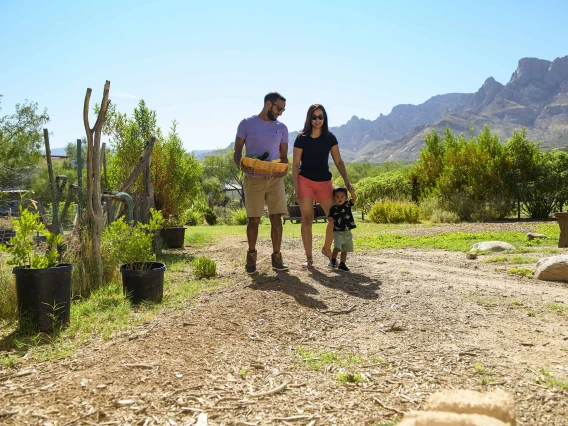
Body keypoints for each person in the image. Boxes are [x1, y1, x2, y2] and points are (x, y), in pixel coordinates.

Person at [292, 104, 356, 269]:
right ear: (309, 118)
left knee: (334, 218)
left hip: (324, 182)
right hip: (305, 181)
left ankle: (326, 248)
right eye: (314, 117)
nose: (317, 120)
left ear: (324, 118)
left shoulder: (330, 137)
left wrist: (347, 182)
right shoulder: (301, 138)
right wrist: (296, 187)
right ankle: (309, 258)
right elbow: (295, 164)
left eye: (321, 117)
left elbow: (338, 161)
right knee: (307, 218)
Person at [234, 92, 290, 275]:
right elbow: (237, 152)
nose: (281, 112)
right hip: (253, 179)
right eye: (279, 108)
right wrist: (243, 166)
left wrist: (283, 167)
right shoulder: (246, 124)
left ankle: (277, 257)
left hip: (275, 179)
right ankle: (251, 257)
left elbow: (283, 156)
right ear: (268, 104)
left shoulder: (282, 128)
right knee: (254, 220)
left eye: (283, 109)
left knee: (276, 218)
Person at [327, 186, 356, 271]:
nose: (340, 198)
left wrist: (352, 192)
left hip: (347, 231)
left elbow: (354, 198)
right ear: (334, 198)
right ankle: (333, 261)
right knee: (337, 247)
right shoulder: (333, 208)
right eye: (337, 196)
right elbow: (329, 216)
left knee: (345, 249)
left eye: (342, 196)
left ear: (346, 197)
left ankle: (342, 264)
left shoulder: (347, 204)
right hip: (338, 231)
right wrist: (330, 219)